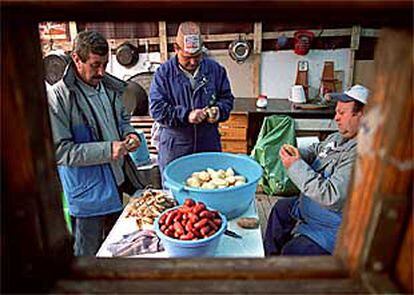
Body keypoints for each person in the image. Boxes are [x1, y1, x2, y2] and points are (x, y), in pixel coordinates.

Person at [47, 31, 142, 256]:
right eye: (95, 65)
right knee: (87, 255)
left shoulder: (109, 88)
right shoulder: (59, 97)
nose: (101, 71)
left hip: (116, 184)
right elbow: (60, 151)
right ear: (76, 59)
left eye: (105, 64)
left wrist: (131, 134)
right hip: (88, 195)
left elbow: (123, 121)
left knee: (116, 249)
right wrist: (108, 150)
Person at [264, 84, 370, 256]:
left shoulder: (362, 153)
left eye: (342, 113)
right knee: (280, 209)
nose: (336, 118)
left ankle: (284, 272)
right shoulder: (339, 137)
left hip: (331, 226)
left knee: (292, 252)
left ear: (362, 116)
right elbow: (316, 150)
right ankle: (270, 262)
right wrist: (298, 153)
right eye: (336, 112)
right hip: (308, 207)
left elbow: (332, 195)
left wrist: (295, 166)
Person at [149, 21, 234, 174]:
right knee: (175, 193)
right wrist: (186, 115)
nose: (193, 62)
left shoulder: (215, 70)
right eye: (187, 57)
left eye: (197, 56)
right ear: (176, 48)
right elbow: (157, 110)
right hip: (175, 147)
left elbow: (227, 99)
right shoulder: (163, 74)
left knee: (210, 188)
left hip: (208, 144)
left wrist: (218, 111)